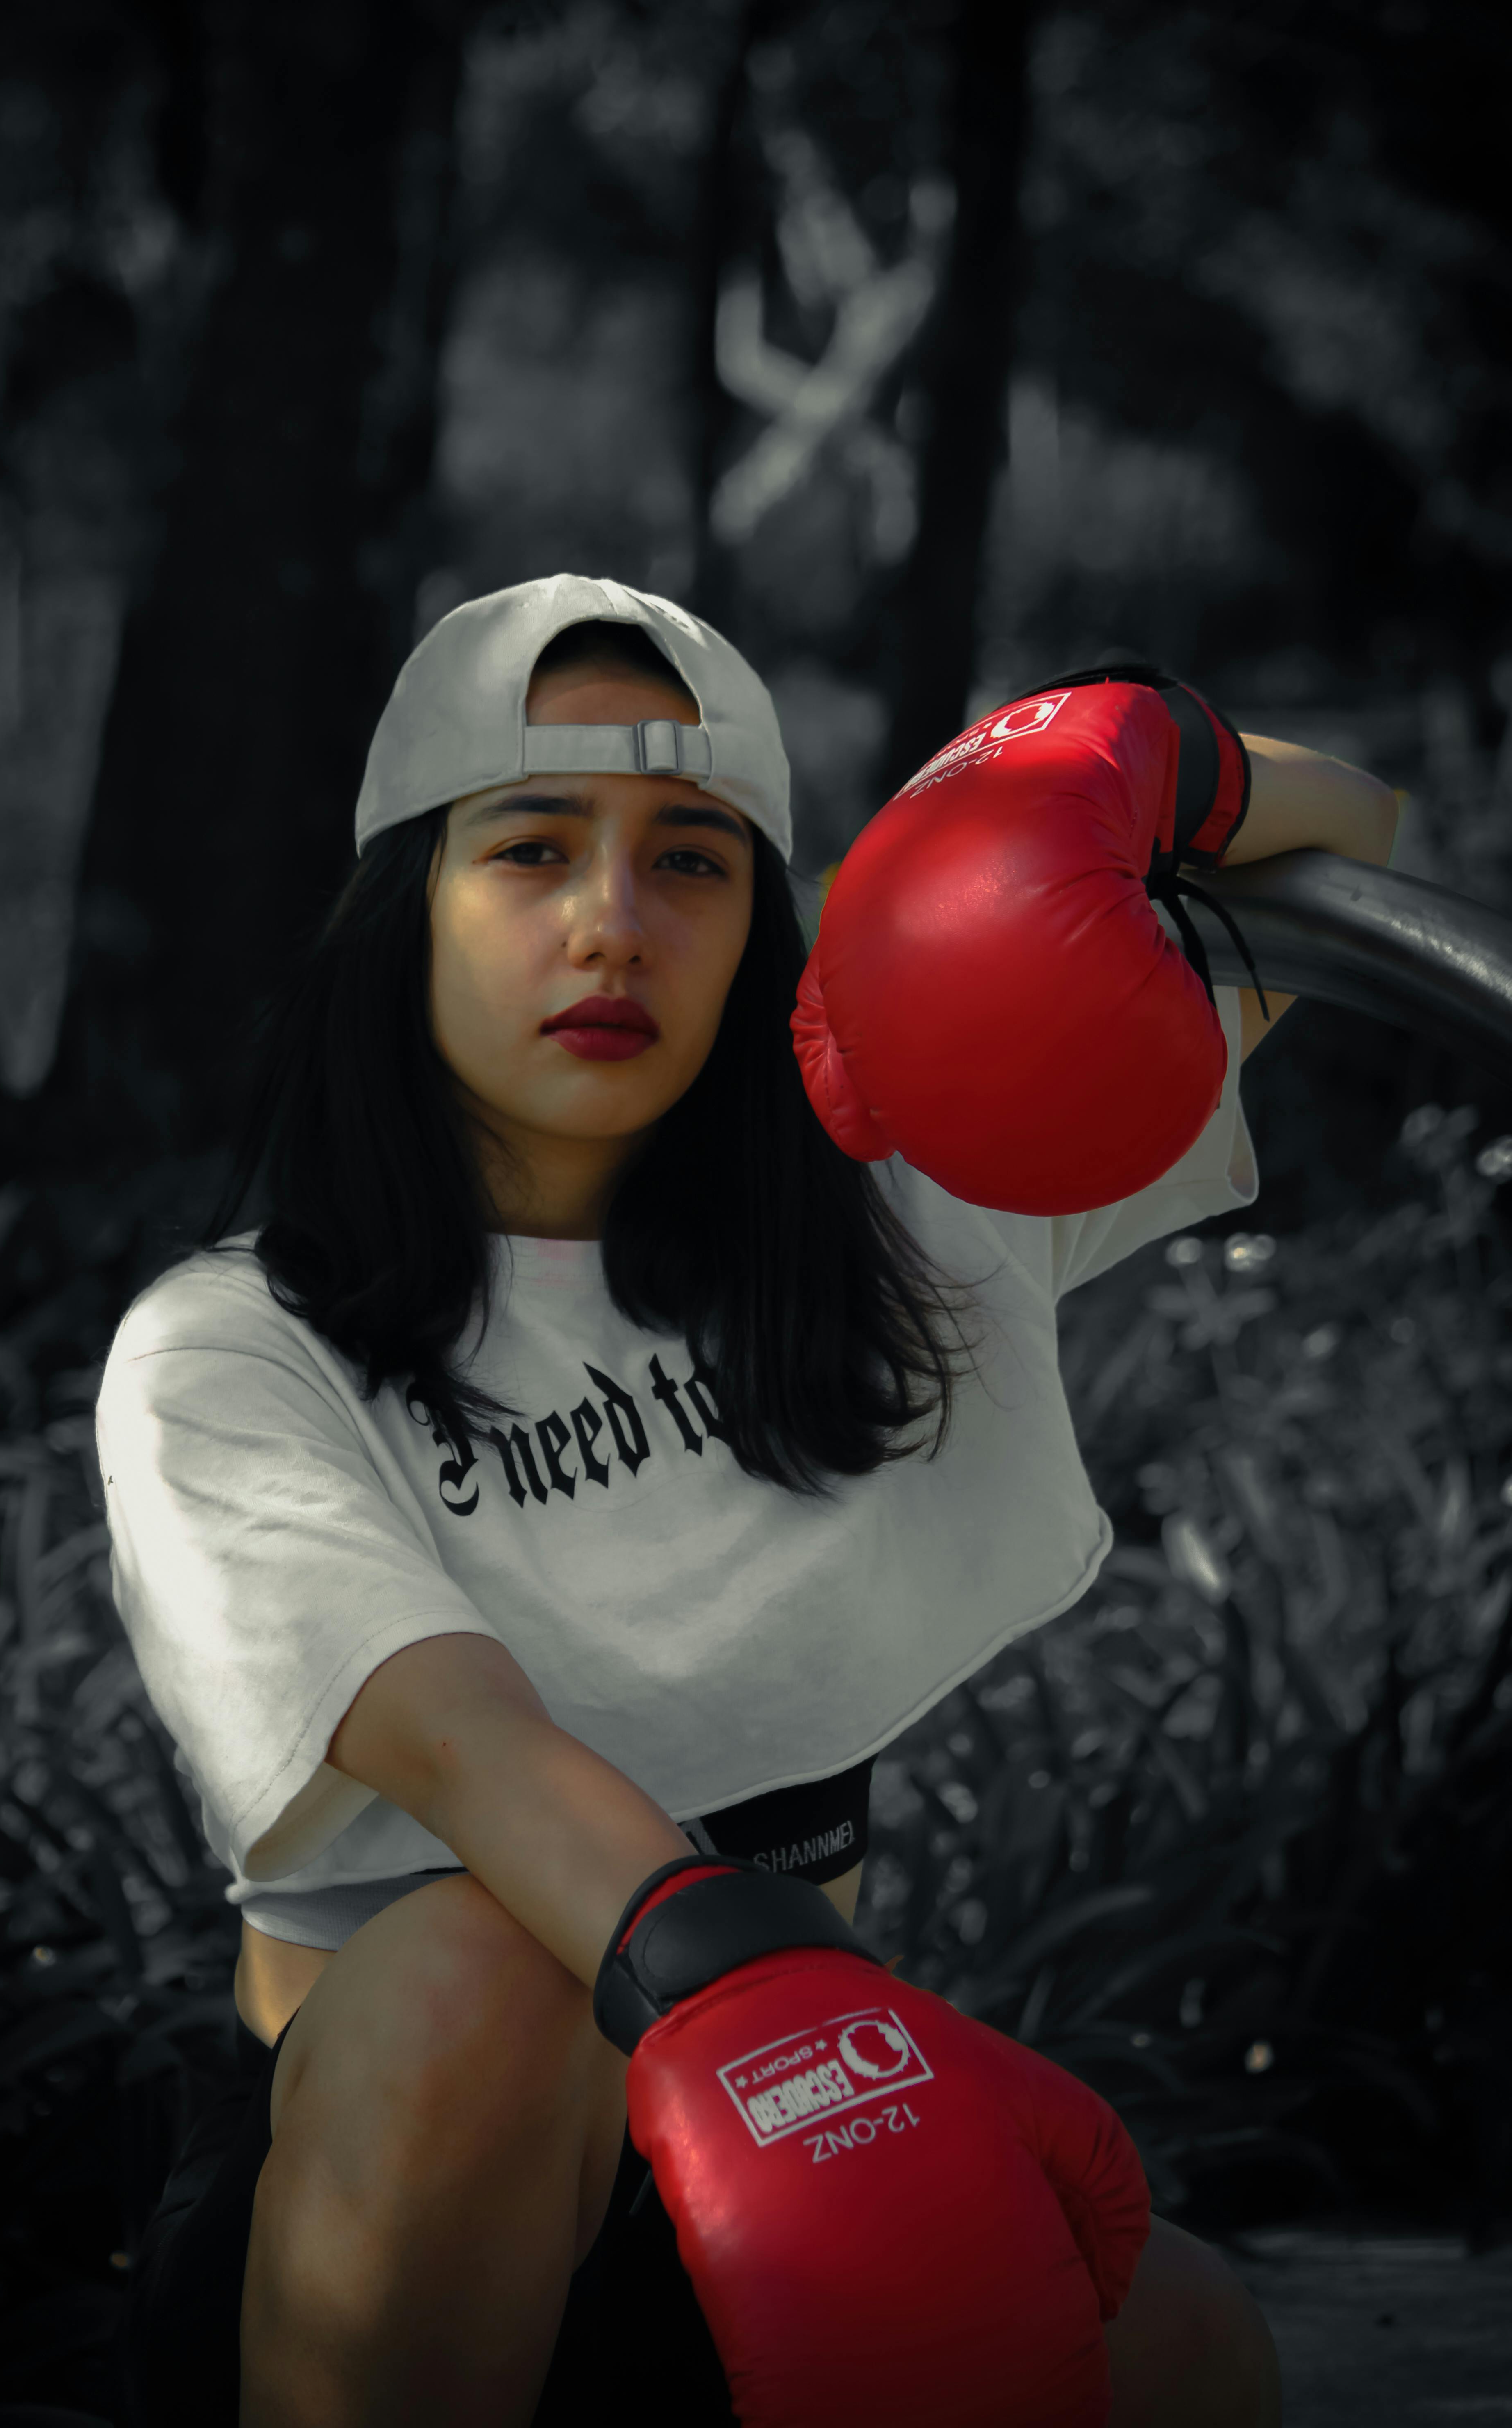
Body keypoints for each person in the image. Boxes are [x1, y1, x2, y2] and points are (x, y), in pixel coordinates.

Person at [100, 574, 1398, 2428]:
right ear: (407, 906)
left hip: (776, 2163)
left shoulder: (907, 1218)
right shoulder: (234, 1345)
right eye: (531, 849)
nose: (612, 927)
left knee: (1186, 2349)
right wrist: (744, 1974)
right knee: (474, 1971)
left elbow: (1361, 837)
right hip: (392, 2200)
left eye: (693, 863)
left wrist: (1142, 754)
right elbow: (458, 1744)